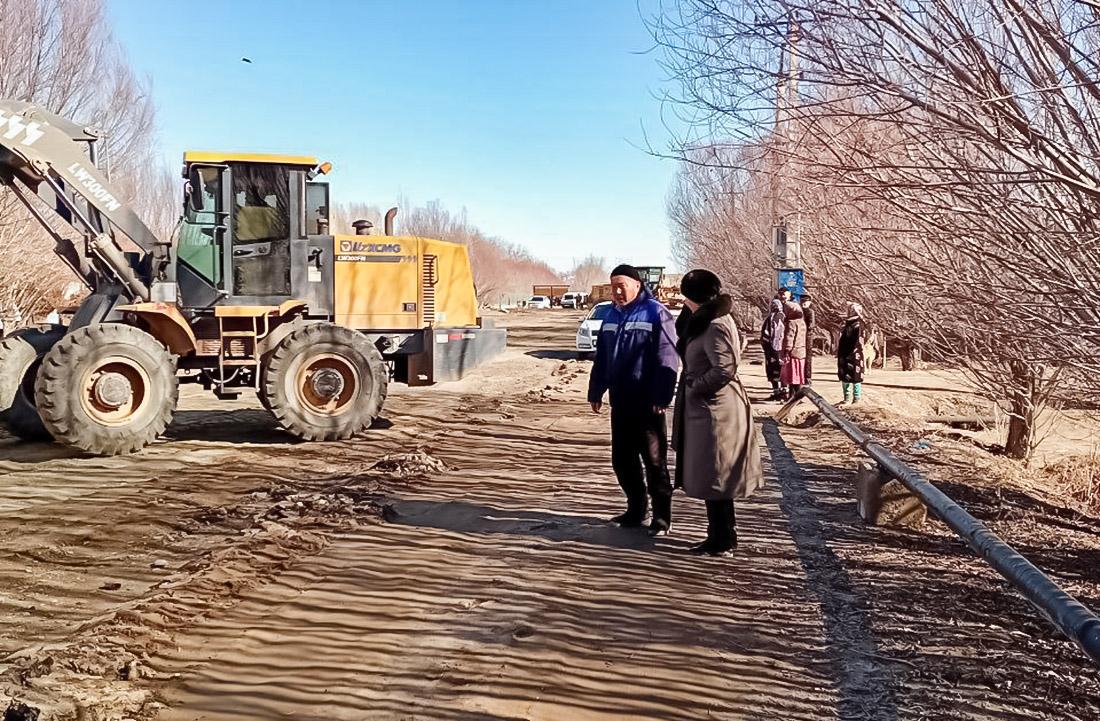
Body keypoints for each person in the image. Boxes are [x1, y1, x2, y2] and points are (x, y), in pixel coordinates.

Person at [673, 269, 763, 556]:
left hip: (717, 411)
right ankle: (719, 535)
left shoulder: (714, 325)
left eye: (686, 296)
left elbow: (725, 368)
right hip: (708, 409)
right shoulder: (706, 320)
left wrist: (695, 386)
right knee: (713, 474)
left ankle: (723, 539)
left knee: (717, 473)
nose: (683, 302)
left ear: (694, 296)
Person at [588, 264, 679, 535]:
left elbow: (668, 357)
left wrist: (662, 394)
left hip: (648, 402)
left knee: (654, 461)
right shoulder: (611, 315)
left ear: (637, 285)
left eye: (622, 286)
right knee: (622, 460)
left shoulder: (656, 312)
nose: (617, 292)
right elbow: (602, 356)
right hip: (621, 400)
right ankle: (636, 509)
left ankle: (661, 517)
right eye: (613, 287)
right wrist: (596, 390)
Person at [838, 302, 865, 405]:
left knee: (855, 376)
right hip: (844, 354)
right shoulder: (847, 323)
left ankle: (856, 398)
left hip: (854, 354)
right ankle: (847, 397)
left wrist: (851, 351)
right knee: (845, 376)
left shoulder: (858, 324)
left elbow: (856, 340)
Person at [759, 298, 786, 400]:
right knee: (782, 370)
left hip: (771, 349)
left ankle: (776, 391)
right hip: (783, 349)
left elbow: (765, 336)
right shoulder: (785, 317)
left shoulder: (770, 319)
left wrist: (766, 348)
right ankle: (784, 391)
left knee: (772, 369)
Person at [780, 300, 807, 398]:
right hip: (801, 352)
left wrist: (786, 350)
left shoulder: (791, 323)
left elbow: (789, 338)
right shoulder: (802, 322)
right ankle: (795, 395)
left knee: (792, 376)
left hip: (793, 353)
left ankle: (794, 396)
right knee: (797, 376)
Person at [801, 293, 815, 384]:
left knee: (807, 357)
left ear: (810, 303)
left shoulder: (810, 312)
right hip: (800, 336)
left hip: (807, 337)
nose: (804, 303)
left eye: (806, 301)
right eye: (802, 301)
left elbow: (811, 325)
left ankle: (807, 376)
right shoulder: (798, 311)